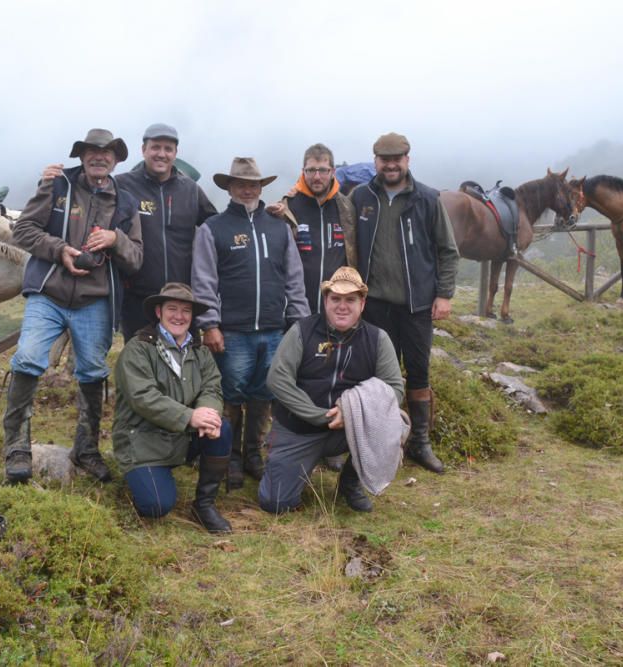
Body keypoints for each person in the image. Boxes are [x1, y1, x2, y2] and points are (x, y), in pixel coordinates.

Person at [2, 128, 143, 484]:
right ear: (82, 155)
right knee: (29, 357)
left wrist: (116, 239)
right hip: (48, 292)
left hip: (94, 298)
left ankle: (86, 448)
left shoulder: (125, 201)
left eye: (107, 152)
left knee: (93, 370)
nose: (100, 157)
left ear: (116, 159)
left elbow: (137, 258)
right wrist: (59, 249)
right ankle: (17, 446)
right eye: (92, 151)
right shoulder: (57, 184)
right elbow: (24, 230)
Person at [191, 157, 310, 489]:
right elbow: (204, 281)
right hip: (232, 331)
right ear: (229, 186)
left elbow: (294, 280)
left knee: (264, 393)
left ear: (261, 187)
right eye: (241, 183)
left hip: (274, 329)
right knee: (231, 394)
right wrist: (210, 323)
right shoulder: (213, 228)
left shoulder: (279, 227)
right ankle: (228, 457)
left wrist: (299, 322)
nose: (248, 189)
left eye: (254, 184)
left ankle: (254, 454)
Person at [349, 132, 459, 474]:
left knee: (419, 371)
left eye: (397, 158)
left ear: (408, 160)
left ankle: (420, 443)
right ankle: (380, 440)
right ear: (376, 162)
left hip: (417, 306)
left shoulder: (427, 198)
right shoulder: (360, 198)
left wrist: (444, 295)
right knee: (379, 376)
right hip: (375, 305)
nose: (391, 164)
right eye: (384, 159)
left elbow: (447, 251)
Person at [259, 267, 404, 514]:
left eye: (350, 300)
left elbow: (394, 390)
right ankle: (294, 466)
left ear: (363, 303)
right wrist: (319, 415)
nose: (342, 306)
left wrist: (350, 411)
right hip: (299, 429)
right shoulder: (302, 331)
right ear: (325, 300)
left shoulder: (378, 339)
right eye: (335, 298)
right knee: (276, 503)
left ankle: (351, 482)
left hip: (348, 429)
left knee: (398, 422)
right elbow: (277, 379)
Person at [112, 283, 233, 533]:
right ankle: (143, 476)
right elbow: (143, 397)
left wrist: (207, 413)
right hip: (143, 442)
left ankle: (204, 504)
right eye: (172, 309)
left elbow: (212, 387)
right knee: (157, 506)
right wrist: (190, 416)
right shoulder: (137, 349)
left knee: (222, 427)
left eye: (186, 311)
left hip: (181, 437)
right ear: (159, 312)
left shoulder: (199, 351)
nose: (179, 316)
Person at [115, 123, 217, 340]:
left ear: (175, 153)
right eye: (155, 147)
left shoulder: (190, 189)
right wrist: (51, 181)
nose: (161, 154)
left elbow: (217, 227)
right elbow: (86, 196)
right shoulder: (122, 185)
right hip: (137, 298)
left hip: (182, 299)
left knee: (185, 365)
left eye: (168, 149)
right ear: (144, 150)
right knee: (140, 364)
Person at [276, 143, 357, 315]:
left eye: (323, 170)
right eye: (311, 170)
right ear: (303, 171)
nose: (317, 177)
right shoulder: (288, 207)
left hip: (338, 309)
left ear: (333, 172)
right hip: (298, 308)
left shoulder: (347, 208)